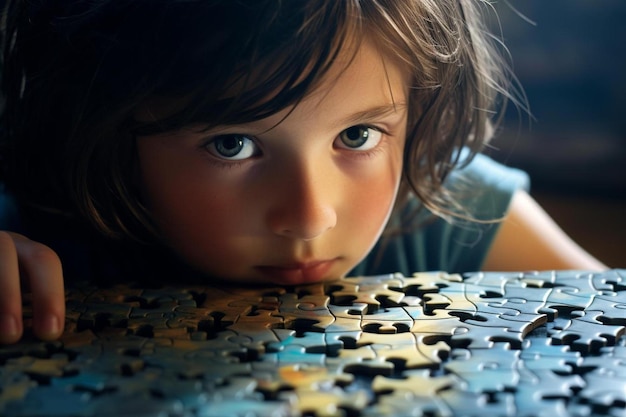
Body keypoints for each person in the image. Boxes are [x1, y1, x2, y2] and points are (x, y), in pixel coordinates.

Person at [0, 0, 606, 345]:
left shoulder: (460, 207)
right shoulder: (36, 239)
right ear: (106, 129)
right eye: (233, 145)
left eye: (358, 135)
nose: (310, 215)